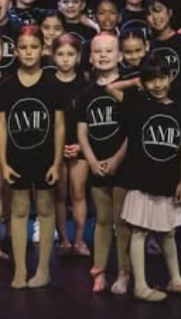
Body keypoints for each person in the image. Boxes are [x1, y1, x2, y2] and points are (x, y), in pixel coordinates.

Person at [118, 55, 181, 302]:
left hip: (168, 179)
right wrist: (135, 83)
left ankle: (176, 280)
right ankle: (140, 285)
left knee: (168, 232)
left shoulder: (180, 109)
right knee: (139, 231)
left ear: (170, 78)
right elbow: (110, 89)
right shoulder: (139, 104)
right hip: (142, 178)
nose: (157, 85)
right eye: (151, 80)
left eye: (162, 78)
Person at [0, 26, 63, 289]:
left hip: (45, 157)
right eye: (23, 47)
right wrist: (3, 163)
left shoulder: (52, 85)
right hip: (17, 157)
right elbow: (2, 126)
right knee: (19, 210)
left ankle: (43, 269)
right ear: (15, 51)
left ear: (43, 50)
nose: (28, 52)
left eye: (33, 47)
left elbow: (59, 126)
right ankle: (20, 269)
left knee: (45, 209)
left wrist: (57, 162)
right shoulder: (7, 85)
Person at [77, 32, 130, 293]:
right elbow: (82, 132)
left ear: (119, 55)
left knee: (122, 221)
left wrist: (117, 158)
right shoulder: (86, 92)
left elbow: (134, 128)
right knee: (102, 219)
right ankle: (99, 272)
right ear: (90, 57)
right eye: (98, 51)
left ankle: (123, 272)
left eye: (109, 51)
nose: (103, 55)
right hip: (97, 164)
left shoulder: (128, 88)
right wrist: (92, 160)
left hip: (123, 163)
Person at [49, 33, 89, 257]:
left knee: (78, 193)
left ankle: (80, 240)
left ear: (78, 56)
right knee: (60, 195)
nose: (65, 59)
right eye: (61, 54)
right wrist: (57, 147)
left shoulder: (85, 85)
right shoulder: (48, 83)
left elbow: (90, 121)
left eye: (70, 54)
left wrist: (81, 147)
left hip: (79, 145)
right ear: (53, 56)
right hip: (55, 148)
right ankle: (63, 239)